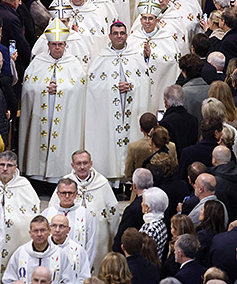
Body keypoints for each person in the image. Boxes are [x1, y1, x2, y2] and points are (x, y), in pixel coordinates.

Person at [18, 18, 87, 180]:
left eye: (60, 44)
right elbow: (28, 86)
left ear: (65, 45)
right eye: (54, 44)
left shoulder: (74, 64)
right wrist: (44, 88)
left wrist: (60, 89)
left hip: (64, 115)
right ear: (48, 45)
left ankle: (57, 176)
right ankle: (37, 176)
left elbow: (79, 87)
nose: (57, 47)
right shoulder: (38, 63)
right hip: (40, 114)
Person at [85, 21, 150, 180]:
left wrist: (132, 85)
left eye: (122, 33)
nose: (119, 36)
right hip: (110, 108)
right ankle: (112, 177)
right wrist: (114, 87)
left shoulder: (135, 56)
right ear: (110, 36)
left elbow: (146, 81)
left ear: (126, 35)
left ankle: (129, 180)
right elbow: (93, 85)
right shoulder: (101, 57)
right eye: (115, 33)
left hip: (131, 107)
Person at [48, 150, 120, 271]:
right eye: (78, 163)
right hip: (70, 236)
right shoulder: (65, 183)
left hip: (98, 237)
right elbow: (52, 209)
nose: (82, 167)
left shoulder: (101, 183)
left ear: (91, 164)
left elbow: (113, 211)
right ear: (73, 165)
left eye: (85, 163)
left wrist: (114, 236)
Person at [0, 151, 40, 273]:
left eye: (9, 165)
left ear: (15, 168)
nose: (5, 169)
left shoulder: (24, 185)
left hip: (16, 239)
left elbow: (32, 212)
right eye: (2, 165)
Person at [42, 178, 97, 267]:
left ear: (76, 194)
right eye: (63, 193)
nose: (67, 196)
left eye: (70, 193)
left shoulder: (86, 214)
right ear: (58, 194)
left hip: (76, 264)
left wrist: (86, 267)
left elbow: (91, 244)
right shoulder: (47, 213)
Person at [2, 215, 71, 284]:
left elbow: (70, 280)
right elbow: (8, 279)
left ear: (49, 231)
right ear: (30, 233)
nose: (39, 234)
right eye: (35, 231)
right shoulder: (20, 253)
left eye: (42, 230)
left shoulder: (60, 254)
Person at [49, 214, 91, 283]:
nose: (57, 230)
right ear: (49, 228)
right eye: (54, 226)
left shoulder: (79, 250)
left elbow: (84, 277)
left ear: (68, 230)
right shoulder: (43, 249)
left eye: (62, 226)